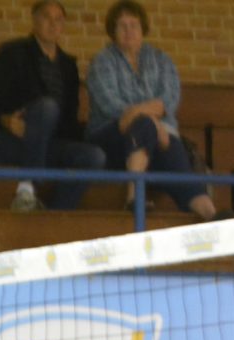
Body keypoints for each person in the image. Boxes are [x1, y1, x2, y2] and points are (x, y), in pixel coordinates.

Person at [85, 0, 216, 219]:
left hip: (156, 136)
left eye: (133, 25)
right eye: (122, 25)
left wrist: (147, 118)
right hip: (111, 136)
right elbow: (111, 106)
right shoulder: (102, 61)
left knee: (174, 155)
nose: (128, 31)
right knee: (145, 125)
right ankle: (134, 195)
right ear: (112, 31)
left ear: (142, 28)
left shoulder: (161, 60)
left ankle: (210, 212)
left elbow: (169, 101)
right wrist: (151, 120)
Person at [0, 0, 104, 213]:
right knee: (47, 107)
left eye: (58, 20)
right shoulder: (12, 54)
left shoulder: (68, 66)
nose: (52, 24)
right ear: (34, 21)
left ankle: (54, 215)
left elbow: (69, 122)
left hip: (45, 145)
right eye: (46, 17)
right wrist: (5, 120)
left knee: (94, 156)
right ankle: (27, 187)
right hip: (6, 141)